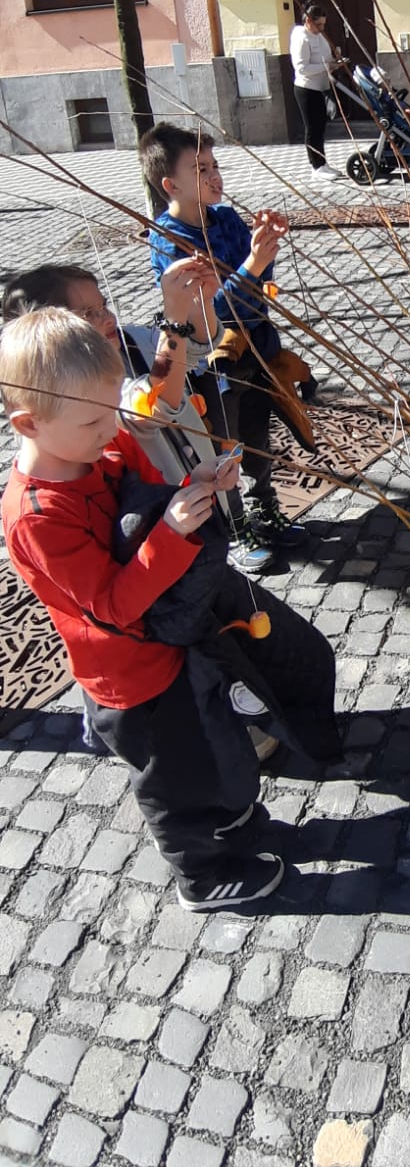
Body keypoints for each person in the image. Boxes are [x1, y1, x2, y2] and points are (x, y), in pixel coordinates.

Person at [0, 310, 340, 910]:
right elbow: (112, 604)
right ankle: (202, 876)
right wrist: (173, 534)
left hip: (173, 640)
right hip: (131, 679)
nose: (111, 427)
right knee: (175, 782)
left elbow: (150, 495)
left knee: (212, 748)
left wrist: (197, 484)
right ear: (28, 423)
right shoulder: (38, 516)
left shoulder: (98, 449)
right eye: (92, 420)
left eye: (110, 410)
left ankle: (234, 824)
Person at [1, 262, 272, 577]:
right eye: (88, 313)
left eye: (103, 305)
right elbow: (154, 404)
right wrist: (174, 319)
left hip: (192, 486)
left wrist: (199, 302)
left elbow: (199, 343)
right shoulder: (74, 393)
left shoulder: (130, 339)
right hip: (158, 522)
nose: (108, 317)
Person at [139, 123, 310, 554]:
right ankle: (237, 528)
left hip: (254, 351)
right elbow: (211, 314)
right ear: (170, 184)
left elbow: (257, 291)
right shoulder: (169, 239)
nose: (215, 176)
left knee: (258, 439)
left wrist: (263, 251)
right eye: (200, 169)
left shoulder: (227, 219)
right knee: (224, 446)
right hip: (213, 364)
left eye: (215, 165)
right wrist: (253, 265)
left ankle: (266, 508)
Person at [290, 1, 342, 184]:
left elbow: (323, 58)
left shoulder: (318, 35)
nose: (321, 28)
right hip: (307, 89)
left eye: (323, 24)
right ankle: (316, 167)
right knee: (312, 128)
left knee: (320, 127)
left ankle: (323, 163)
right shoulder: (301, 38)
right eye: (318, 24)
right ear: (308, 21)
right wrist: (328, 66)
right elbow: (302, 68)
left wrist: (335, 60)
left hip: (321, 87)